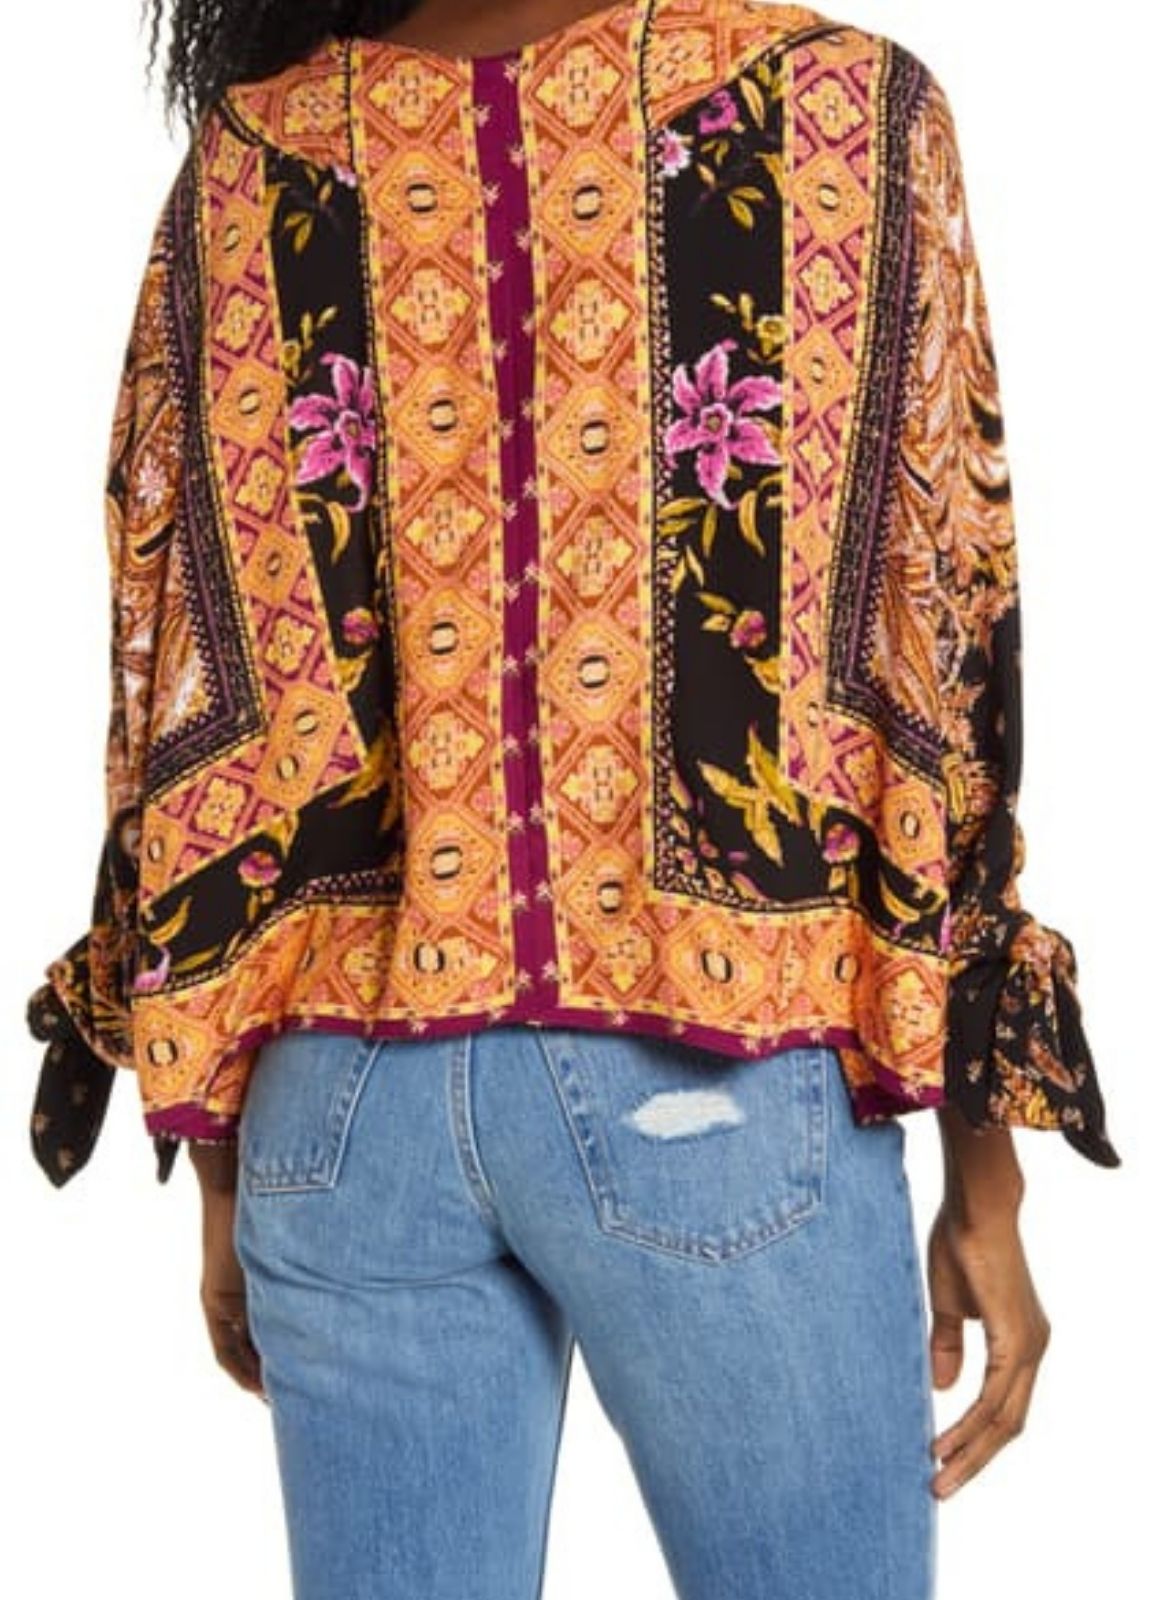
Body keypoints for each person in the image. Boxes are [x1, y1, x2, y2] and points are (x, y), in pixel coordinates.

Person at [24, 1, 1121, 1595]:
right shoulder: (845, 113)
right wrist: (988, 1171)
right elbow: (940, 644)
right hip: (716, 1076)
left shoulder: (250, 155)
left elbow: (183, 668)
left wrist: (221, 1154)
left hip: (341, 1104)